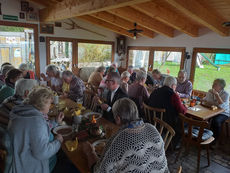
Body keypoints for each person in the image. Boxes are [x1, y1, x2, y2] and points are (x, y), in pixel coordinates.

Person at [83, 98, 169, 173]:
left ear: (118, 119)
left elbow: (99, 171)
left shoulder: (119, 140)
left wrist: (90, 152)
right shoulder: (152, 128)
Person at [8, 86, 63, 173]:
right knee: (62, 158)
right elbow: (42, 153)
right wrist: (58, 142)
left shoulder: (21, 111)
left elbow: (36, 130)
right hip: (30, 166)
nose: (50, 106)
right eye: (49, 103)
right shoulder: (36, 121)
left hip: (19, 157)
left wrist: (55, 122)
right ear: (42, 104)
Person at [148, 76, 187, 148]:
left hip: (153, 119)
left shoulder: (155, 91)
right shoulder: (174, 95)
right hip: (167, 123)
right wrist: (185, 107)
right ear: (173, 86)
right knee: (183, 121)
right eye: (175, 86)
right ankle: (174, 144)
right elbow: (182, 111)